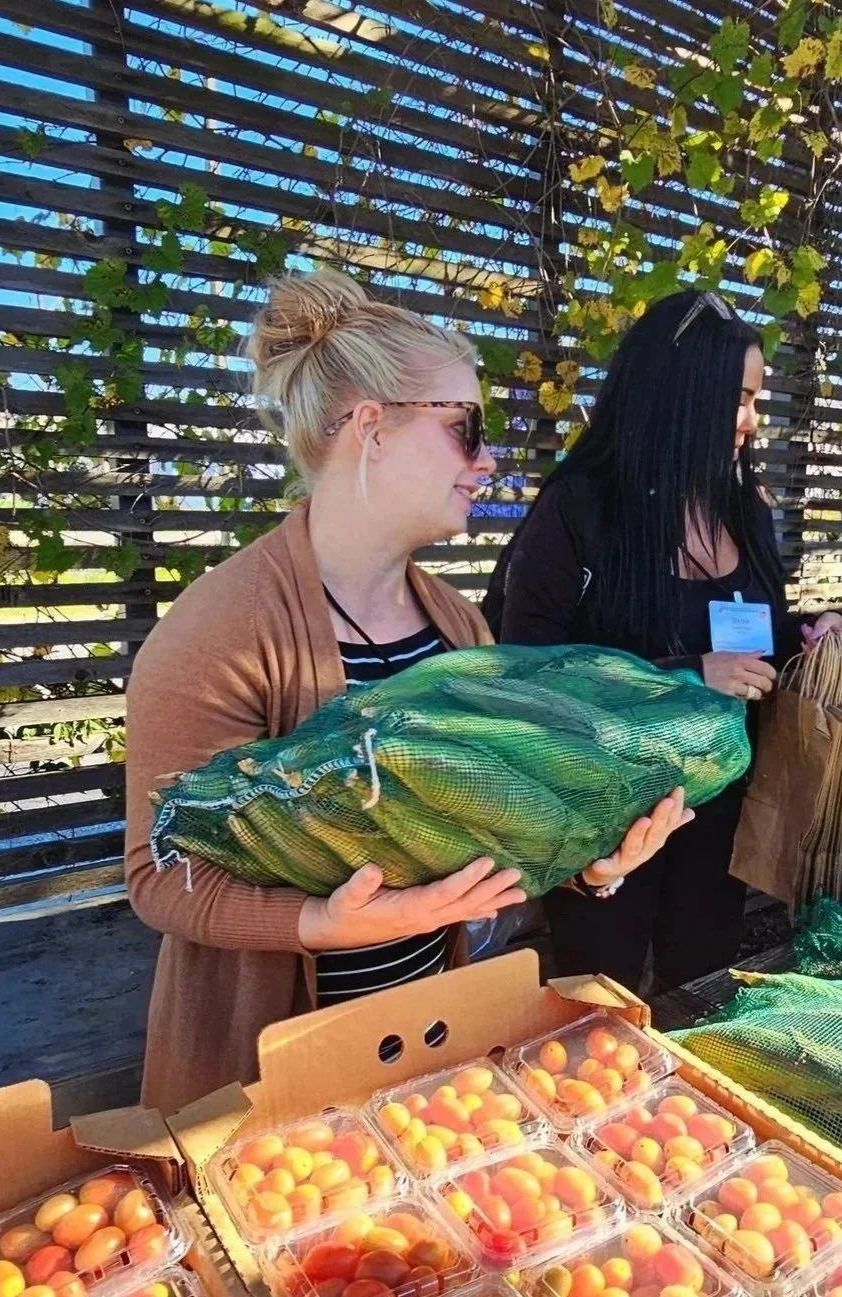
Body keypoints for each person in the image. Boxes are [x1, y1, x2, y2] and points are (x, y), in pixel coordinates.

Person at [122, 271, 691, 1111]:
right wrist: (321, 926)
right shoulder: (222, 630)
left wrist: (589, 865)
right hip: (270, 1086)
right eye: (466, 428)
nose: (487, 460)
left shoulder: (461, 629)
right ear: (370, 429)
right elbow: (158, 873)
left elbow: (488, 828)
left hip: (421, 1062)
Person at [485, 288, 842, 992]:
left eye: (755, 400)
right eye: (738, 398)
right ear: (680, 393)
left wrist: (809, 633)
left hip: (716, 809)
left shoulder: (742, 509)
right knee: (600, 998)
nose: (750, 422)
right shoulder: (578, 510)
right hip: (602, 817)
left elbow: (752, 634)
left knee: (703, 982)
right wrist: (683, 674)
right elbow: (523, 674)